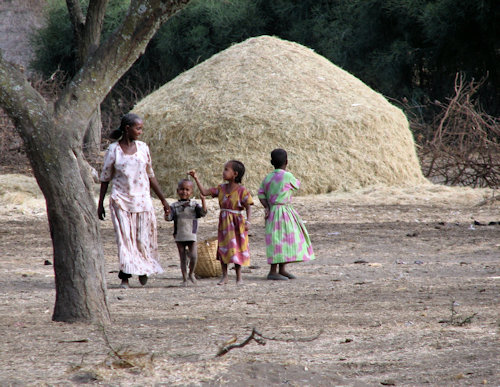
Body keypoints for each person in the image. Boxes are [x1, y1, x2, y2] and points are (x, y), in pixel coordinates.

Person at [97, 113, 170, 288]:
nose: (140, 132)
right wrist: (100, 204)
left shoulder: (143, 148)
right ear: (127, 129)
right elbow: (105, 178)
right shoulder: (113, 150)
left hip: (143, 201)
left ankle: (144, 268)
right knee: (125, 240)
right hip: (121, 201)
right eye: (138, 128)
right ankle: (125, 276)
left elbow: (150, 176)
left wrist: (164, 201)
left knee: (142, 238)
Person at [188, 161, 253, 285]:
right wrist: (195, 178)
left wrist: (248, 221)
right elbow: (205, 192)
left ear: (235, 174)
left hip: (237, 224)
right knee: (223, 248)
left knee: (237, 248)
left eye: (226, 169)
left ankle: (239, 277)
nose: (223, 172)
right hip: (224, 224)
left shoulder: (242, 191)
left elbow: (249, 205)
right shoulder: (221, 188)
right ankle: (225, 276)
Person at [258, 148, 315, 280]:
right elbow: (297, 186)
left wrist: (267, 206)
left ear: (271, 162)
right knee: (286, 239)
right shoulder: (288, 176)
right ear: (287, 162)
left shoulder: (268, 178)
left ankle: (278, 270)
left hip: (272, 213)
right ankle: (275, 271)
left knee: (276, 240)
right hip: (285, 213)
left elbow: (260, 194)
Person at [165, 178, 207, 286]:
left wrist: (203, 201)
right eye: (182, 189)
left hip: (191, 234)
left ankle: (191, 273)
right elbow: (169, 218)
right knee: (182, 257)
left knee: (193, 256)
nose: (184, 192)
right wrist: (166, 213)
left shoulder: (194, 205)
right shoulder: (174, 206)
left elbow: (203, 213)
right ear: (177, 191)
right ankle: (184, 278)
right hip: (179, 234)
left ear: (191, 192)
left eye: (187, 190)